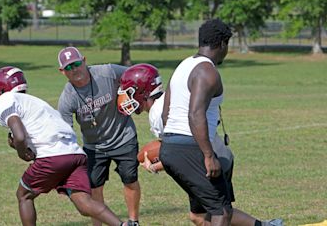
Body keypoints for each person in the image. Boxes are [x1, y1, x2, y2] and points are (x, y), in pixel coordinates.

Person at [117, 63, 284, 226]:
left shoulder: (157, 113)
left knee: (213, 213)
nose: (126, 99)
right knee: (206, 214)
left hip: (207, 159)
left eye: (129, 93)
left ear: (143, 91)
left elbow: (179, 152)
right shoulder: (171, 97)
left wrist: (155, 166)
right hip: (217, 152)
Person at [0, 66, 128, 226]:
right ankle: (122, 225)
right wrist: (19, 145)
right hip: (76, 154)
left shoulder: (4, 100)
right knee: (84, 203)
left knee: (24, 195)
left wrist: (21, 152)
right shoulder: (35, 102)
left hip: (53, 156)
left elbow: (20, 136)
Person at [57, 47, 141, 226]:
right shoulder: (67, 98)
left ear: (84, 60)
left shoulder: (107, 72)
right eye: (69, 67)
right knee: (94, 189)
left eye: (77, 63)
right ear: (62, 71)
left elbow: (136, 75)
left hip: (123, 136)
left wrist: (132, 95)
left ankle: (134, 221)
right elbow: (65, 133)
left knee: (130, 180)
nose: (75, 69)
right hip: (94, 146)